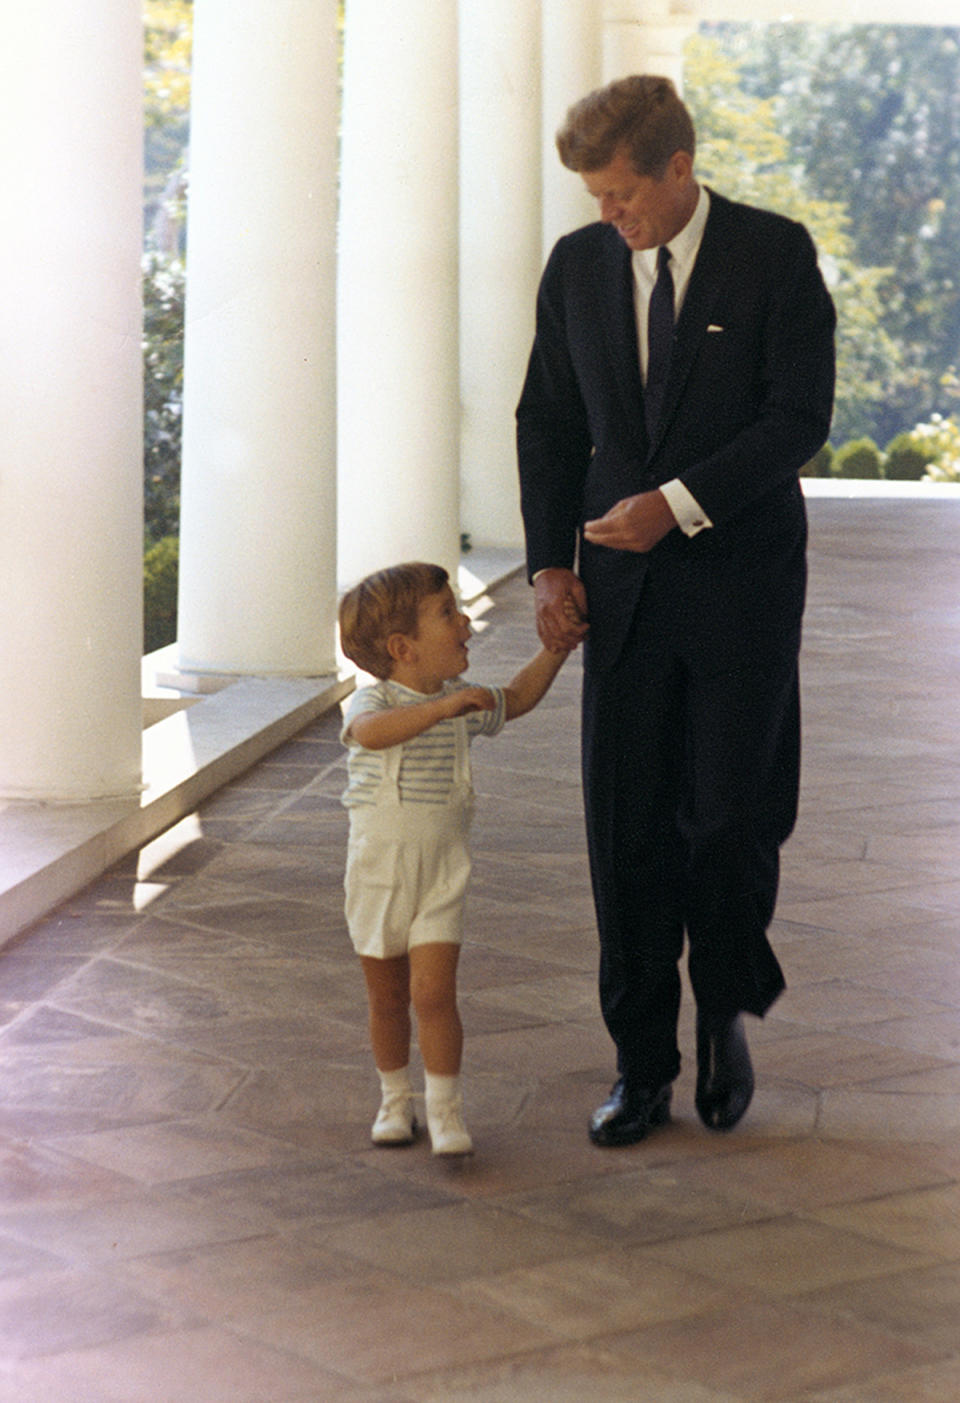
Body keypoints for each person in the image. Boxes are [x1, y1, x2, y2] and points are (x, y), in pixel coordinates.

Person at [516, 75, 836, 1146]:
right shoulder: (577, 266)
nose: (611, 217)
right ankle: (641, 1065)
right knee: (629, 829)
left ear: (678, 167)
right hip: (622, 602)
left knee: (733, 820)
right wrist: (548, 568)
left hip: (742, 586)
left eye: (622, 195)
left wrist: (679, 506)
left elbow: (799, 418)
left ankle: (726, 1015)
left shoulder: (774, 254)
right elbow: (549, 423)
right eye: (597, 199)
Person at [338, 562, 571, 1155]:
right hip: (378, 877)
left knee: (435, 995)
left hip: (441, 875)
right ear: (403, 648)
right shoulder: (376, 700)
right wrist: (442, 711)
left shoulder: (460, 702)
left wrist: (556, 650)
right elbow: (369, 733)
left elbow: (516, 698)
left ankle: (444, 1109)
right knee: (387, 998)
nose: (465, 622)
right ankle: (395, 1100)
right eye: (448, 613)